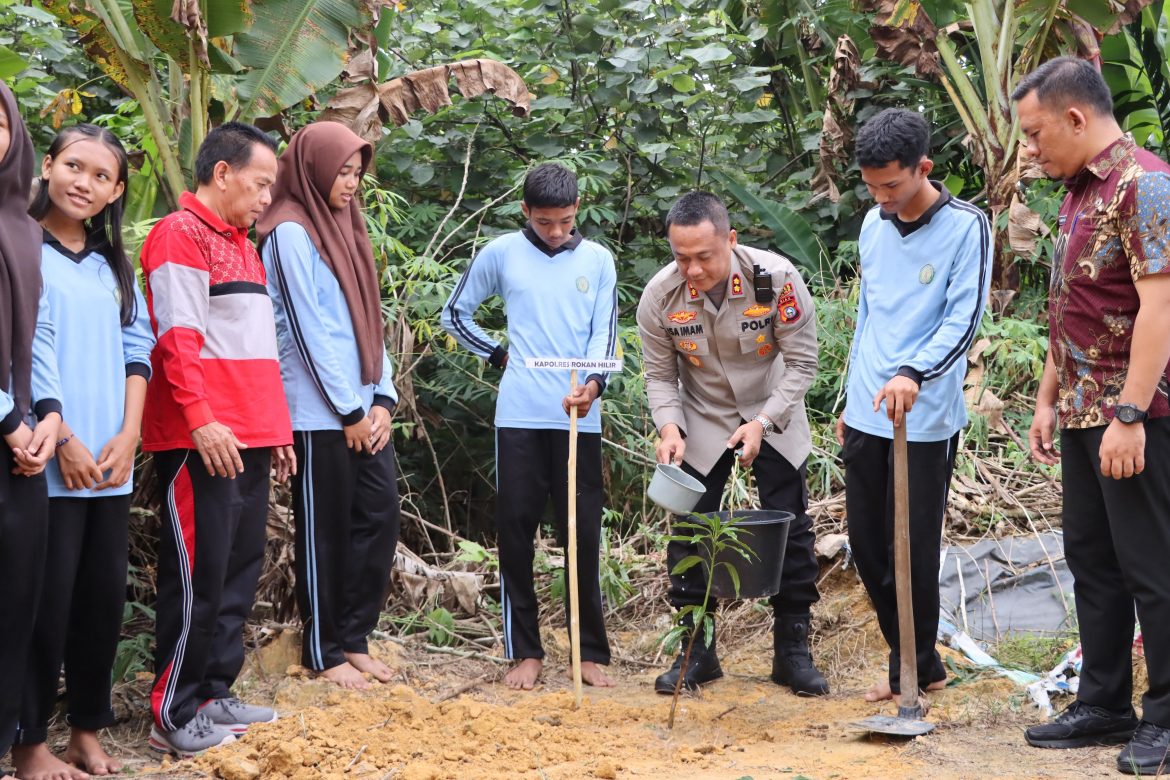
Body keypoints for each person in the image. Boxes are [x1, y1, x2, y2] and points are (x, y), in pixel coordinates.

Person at [1014, 57, 1170, 775]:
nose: (1030, 149)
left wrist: (1130, 413)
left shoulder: (1145, 184)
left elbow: (1160, 308)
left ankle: (1164, 717)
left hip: (1136, 417)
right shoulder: (1080, 191)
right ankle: (1105, 702)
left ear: (1076, 118)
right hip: (1083, 414)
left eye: (1036, 133)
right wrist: (1048, 398)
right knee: (1093, 562)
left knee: (1152, 568)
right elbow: (1072, 303)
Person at [140, 122, 296, 758]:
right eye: (260, 184)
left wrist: (277, 429)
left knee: (237, 570)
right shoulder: (180, 233)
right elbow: (177, 337)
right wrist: (201, 418)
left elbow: (258, 349)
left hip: (250, 434)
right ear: (223, 172)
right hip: (201, 435)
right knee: (198, 576)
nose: (266, 197)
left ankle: (212, 693)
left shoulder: (243, 245)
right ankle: (171, 711)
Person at [636, 191, 827, 696]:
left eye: (704, 256)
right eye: (682, 258)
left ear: (731, 240)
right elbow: (660, 376)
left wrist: (763, 421)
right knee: (691, 530)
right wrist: (669, 428)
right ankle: (696, 652)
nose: (693, 270)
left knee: (791, 526)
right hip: (702, 414)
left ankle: (792, 651)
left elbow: (802, 363)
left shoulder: (776, 279)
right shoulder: (660, 296)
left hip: (774, 407)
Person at [441, 163, 618, 691]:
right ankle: (525, 651)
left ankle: (588, 651)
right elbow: (456, 314)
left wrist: (593, 387)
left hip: (579, 418)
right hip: (518, 416)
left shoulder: (598, 260)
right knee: (516, 533)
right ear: (525, 211)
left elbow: (605, 336)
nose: (556, 231)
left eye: (565, 220)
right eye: (544, 222)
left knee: (582, 534)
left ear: (577, 208)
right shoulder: (501, 253)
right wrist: (499, 355)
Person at [11, 125, 154, 780]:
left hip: (109, 465)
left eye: (101, 176)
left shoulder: (112, 265)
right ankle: (28, 743)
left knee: (100, 604)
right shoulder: (20, 244)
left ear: (117, 191)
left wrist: (129, 434)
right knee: (43, 607)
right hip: (44, 462)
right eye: (74, 166)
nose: (84, 183)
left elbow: (137, 350)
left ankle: (87, 732)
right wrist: (62, 439)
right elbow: (29, 350)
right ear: (46, 165)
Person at [836, 108, 990, 704]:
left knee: (912, 546)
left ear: (923, 168)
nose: (880, 197)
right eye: (871, 186)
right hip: (867, 409)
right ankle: (919, 660)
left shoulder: (967, 226)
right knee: (866, 543)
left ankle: (912, 668)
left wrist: (913, 372)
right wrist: (851, 397)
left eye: (891, 185)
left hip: (924, 417)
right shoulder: (873, 226)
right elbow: (868, 316)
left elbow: (963, 319)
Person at [258, 122, 401, 691]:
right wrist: (349, 411)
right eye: (341, 171)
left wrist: (382, 397)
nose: (351, 182)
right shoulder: (289, 231)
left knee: (379, 517)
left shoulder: (345, 224)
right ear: (313, 169)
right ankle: (323, 649)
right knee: (326, 532)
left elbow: (369, 317)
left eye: (357, 172)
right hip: (320, 415)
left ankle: (354, 638)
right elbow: (306, 329)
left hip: (363, 408)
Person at [0, 81, 63, 780]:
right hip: (9, 429)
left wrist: (44, 413)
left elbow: (33, 335)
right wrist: (10, 420)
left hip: (20, 443)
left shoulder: (21, 227)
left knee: (17, 598)